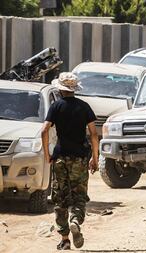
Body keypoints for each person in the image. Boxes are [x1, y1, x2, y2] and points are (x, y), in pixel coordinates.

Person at [41, 72, 99, 250]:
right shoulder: (84, 107)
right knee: (79, 196)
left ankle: (65, 239)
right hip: (80, 158)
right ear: (74, 89)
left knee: (60, 199)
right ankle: (75, 220)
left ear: (60, 89)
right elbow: (94, 134)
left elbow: (44, 131)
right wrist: (95, 158)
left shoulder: (56, 106)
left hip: (60, 158)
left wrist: (47, 155)